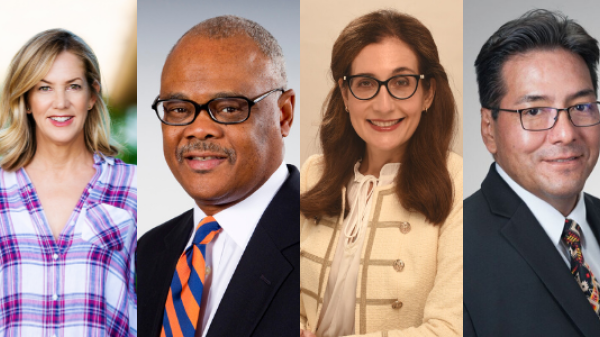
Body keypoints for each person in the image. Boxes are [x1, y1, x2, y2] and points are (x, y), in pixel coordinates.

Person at [299, 10, 463, 337]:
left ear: (428, 93)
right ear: (345, 96)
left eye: (401, 82)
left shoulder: (459, 181)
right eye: (366, 84)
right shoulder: (313, 173)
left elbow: (449, 329)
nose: (383, 105)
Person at [137, 16, 298, 337]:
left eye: (228, 108)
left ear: (284, 114)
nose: (198, 129)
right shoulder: (147, 251)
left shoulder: (324, 241)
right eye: (179, 109)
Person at [464, 9, 600, 336]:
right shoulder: (460, 248)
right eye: (534, 111)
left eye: (581, 106)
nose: (565, 134)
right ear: (489, 129)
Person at [0, 29, 137, 336]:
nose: (60, 102)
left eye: (73, 86)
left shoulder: (133, 187)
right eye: (44, 88)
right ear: (26, 100)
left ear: (92, 95)